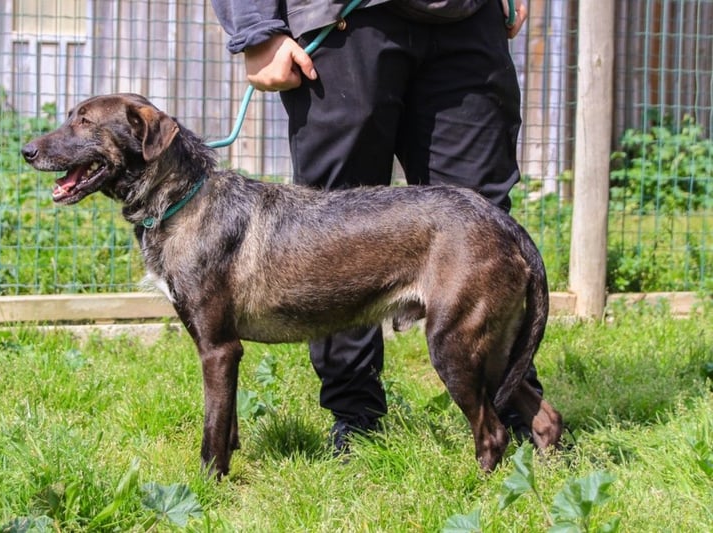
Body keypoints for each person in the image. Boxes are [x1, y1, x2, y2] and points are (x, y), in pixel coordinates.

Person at [211, 0, 541, 452]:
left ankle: (513, 408)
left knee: (481, 224)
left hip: (466, 17)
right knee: (333, 237)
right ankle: (356, 417)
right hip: (342, 22)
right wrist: (256, 28)